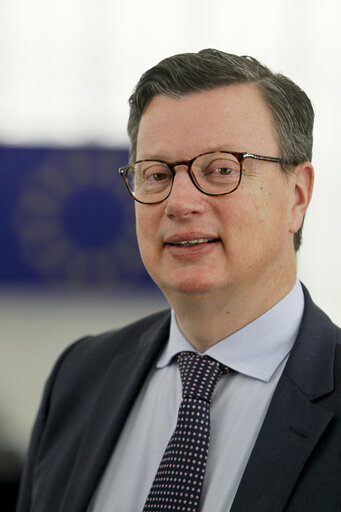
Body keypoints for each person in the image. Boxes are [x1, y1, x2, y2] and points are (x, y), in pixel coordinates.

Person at [16, 49, 341, 512]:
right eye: (157, 174)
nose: (180, 202)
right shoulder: (79, 377)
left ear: (298, 195)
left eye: (221, 169)